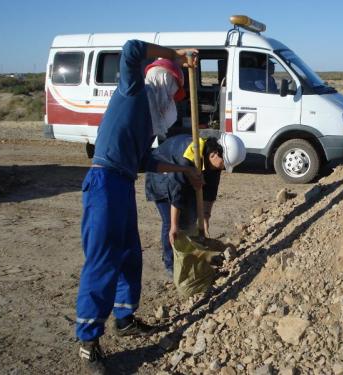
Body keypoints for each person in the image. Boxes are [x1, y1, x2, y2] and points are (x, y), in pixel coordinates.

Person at [75, 39, 200, 374]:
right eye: (171, 84)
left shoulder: (148, 120)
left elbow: (147, 160)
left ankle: (124, 317)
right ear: (160, 79)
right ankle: (88, 341)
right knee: (102, 259)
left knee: (130, 253)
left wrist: (185, 169)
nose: (171, 92)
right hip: (103, 182)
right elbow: (131, 48)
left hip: (122, 183)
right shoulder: (133, 91)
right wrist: (175, 55)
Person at [145, 133, 246, 275]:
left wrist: (205, 217)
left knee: (190, 217)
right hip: (161, 177)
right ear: (215, 154)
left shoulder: (214, 163)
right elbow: (177, 190)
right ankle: (170, 263)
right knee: (171, 223)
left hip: (181, 180)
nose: (223, 168)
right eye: (223, 164)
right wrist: (175, 225)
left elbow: (210, 190)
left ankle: (192, 254)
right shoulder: (190, 155)